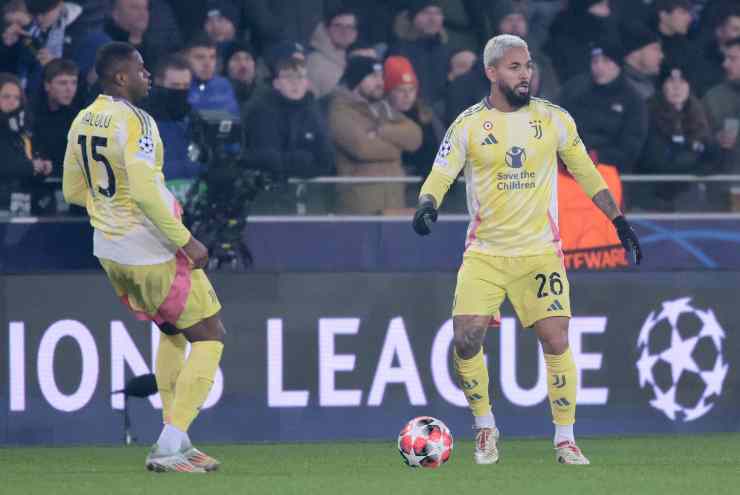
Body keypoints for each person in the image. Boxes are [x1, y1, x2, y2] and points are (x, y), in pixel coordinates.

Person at [413, 34, 642, 465]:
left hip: (539, 252)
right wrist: (427, 203)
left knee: (556, 339)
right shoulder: (467, 125)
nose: (525, 74)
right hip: (485, 253)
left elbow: (587, 173)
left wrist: (618, 220)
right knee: (466, 339)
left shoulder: (554, 119)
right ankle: (485, 428)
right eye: (515, 67)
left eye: (528, 66)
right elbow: (441, 172)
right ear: (492, 72)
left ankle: (565, 438)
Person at [62, 42, 224, 473]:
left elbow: (72, 190)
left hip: (110, 251)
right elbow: (147, 190)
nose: (148, 74)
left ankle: (179, 438)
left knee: (172, 332)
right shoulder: (136, 120)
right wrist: (186, 240)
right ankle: (169, 445)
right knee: (210, 335)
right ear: (120, 78)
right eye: (140, 68)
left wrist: (108, 214)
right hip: (150, 248)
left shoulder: (82, 120)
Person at [327, 55, 422, 214]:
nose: (380, 82)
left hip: (393, 204)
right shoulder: (339, 110)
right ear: (357, 79)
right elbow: (363, 148)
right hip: (360, 208)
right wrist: (398, 147)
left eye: (380, 76)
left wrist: (381, 131)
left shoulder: (381, 108)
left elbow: (415, 137)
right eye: (372, 76)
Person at [558, 39, 647, 173]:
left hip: (611, 174)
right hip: (570, 169)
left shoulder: (632, 99)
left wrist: (599, 157)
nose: (599, 66)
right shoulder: (574, 90)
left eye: (606, 61)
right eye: (595, 61)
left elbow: (631, 145)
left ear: (618, 64)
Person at [0, 72, 52, 214]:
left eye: (16, 97)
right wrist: (31, 166)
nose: (12, 101)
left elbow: (25, 161)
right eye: (6, 96)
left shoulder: (23, 131)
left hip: (19, 201)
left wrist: (42, 167)